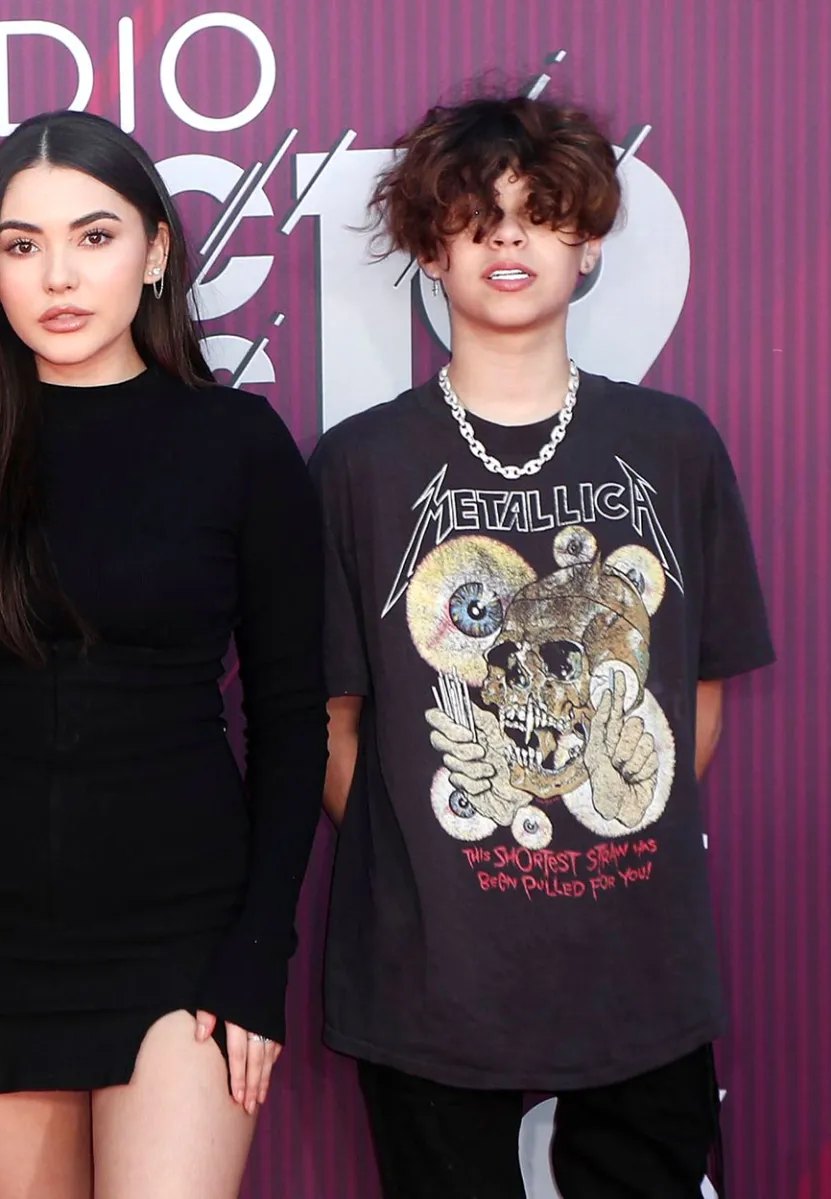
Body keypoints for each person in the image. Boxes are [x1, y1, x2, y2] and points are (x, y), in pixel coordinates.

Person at [310, 92, 774, 1197]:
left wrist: (600, 790)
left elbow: (693, 694)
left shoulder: (670, 444)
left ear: (588, 243)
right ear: (431, 250)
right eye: (474, 218)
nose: (505, 240)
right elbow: (334, 723)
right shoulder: (360, 465)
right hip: (430, 974)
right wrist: (448, 864)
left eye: (538, 213)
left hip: (637, 960)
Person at [0, 110, 327, 1199]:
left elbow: (288, 719)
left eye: (93, 235)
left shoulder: (236, 444)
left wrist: (257, 954)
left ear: (155, 251)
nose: (58, 275)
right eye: (21, 244)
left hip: (185, 936)